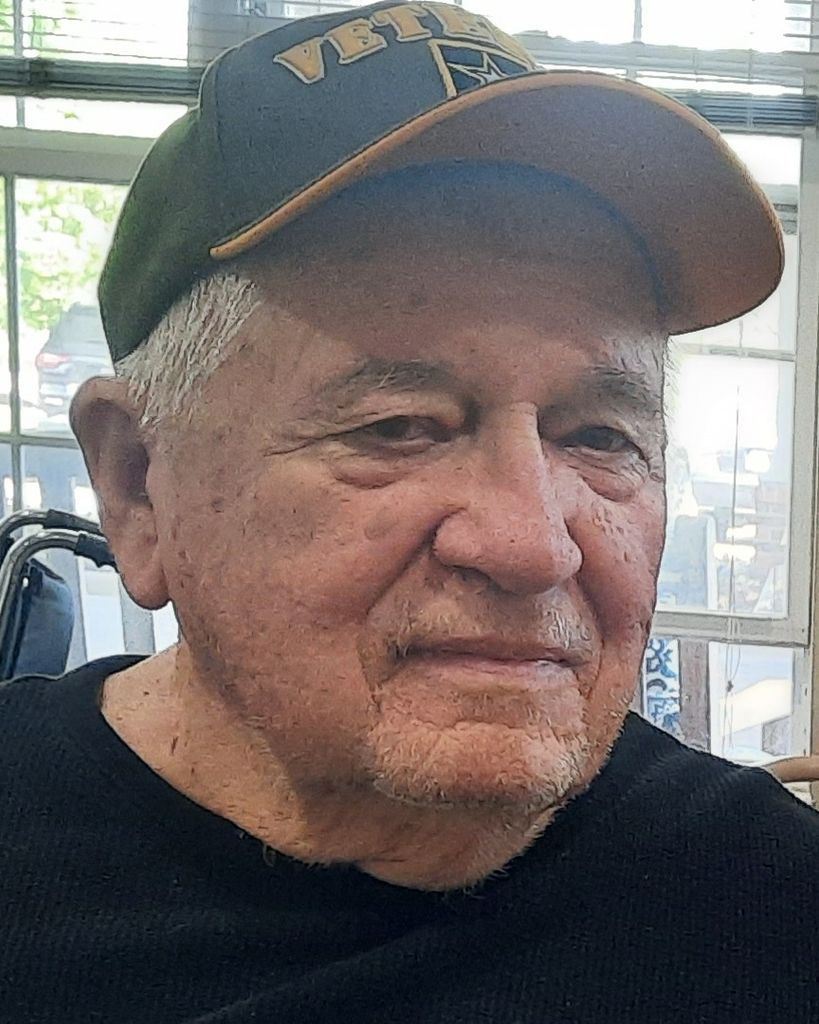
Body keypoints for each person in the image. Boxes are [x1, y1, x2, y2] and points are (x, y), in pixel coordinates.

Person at [1, 3, 817, 1021]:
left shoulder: (770, 909)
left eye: (600, 437)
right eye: (398, 426)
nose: (531, 544)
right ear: (136, 483)